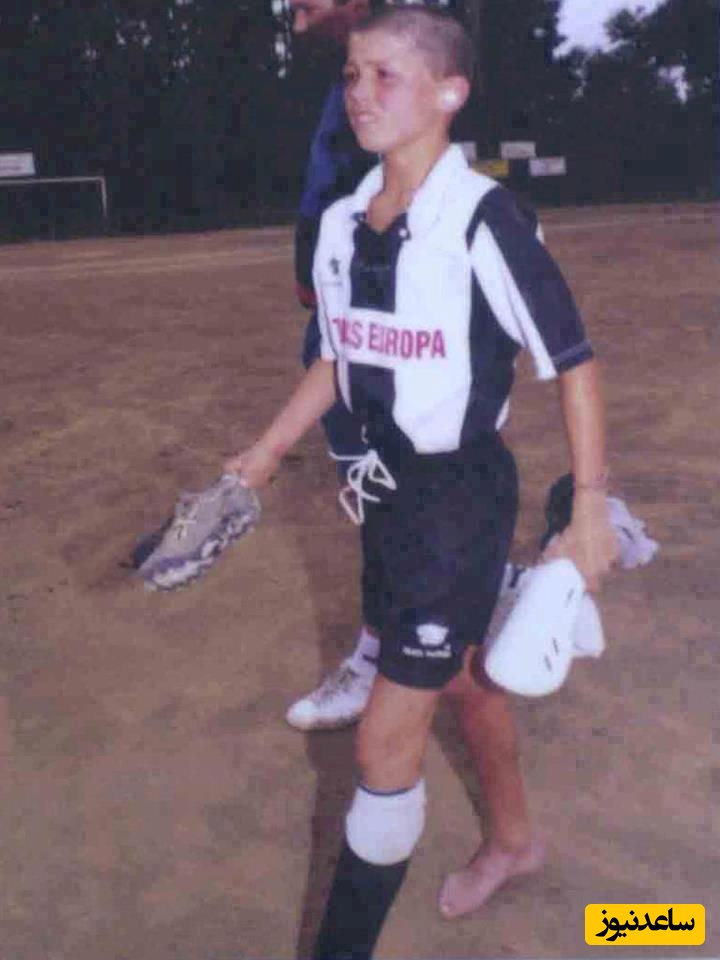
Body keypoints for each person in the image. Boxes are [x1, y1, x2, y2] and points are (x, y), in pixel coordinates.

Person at [226, 5, 618, 953]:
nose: (359, 94)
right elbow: (338, 359)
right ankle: (514, 843)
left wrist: (590, 509)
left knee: (383, 744)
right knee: (468, 682)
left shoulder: (483, 218)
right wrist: (267, 450)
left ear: (449, 93)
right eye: (351, 76)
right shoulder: (339, 223)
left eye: (385, 76)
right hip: (386, 500)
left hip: (459, 501)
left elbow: (572, 361)